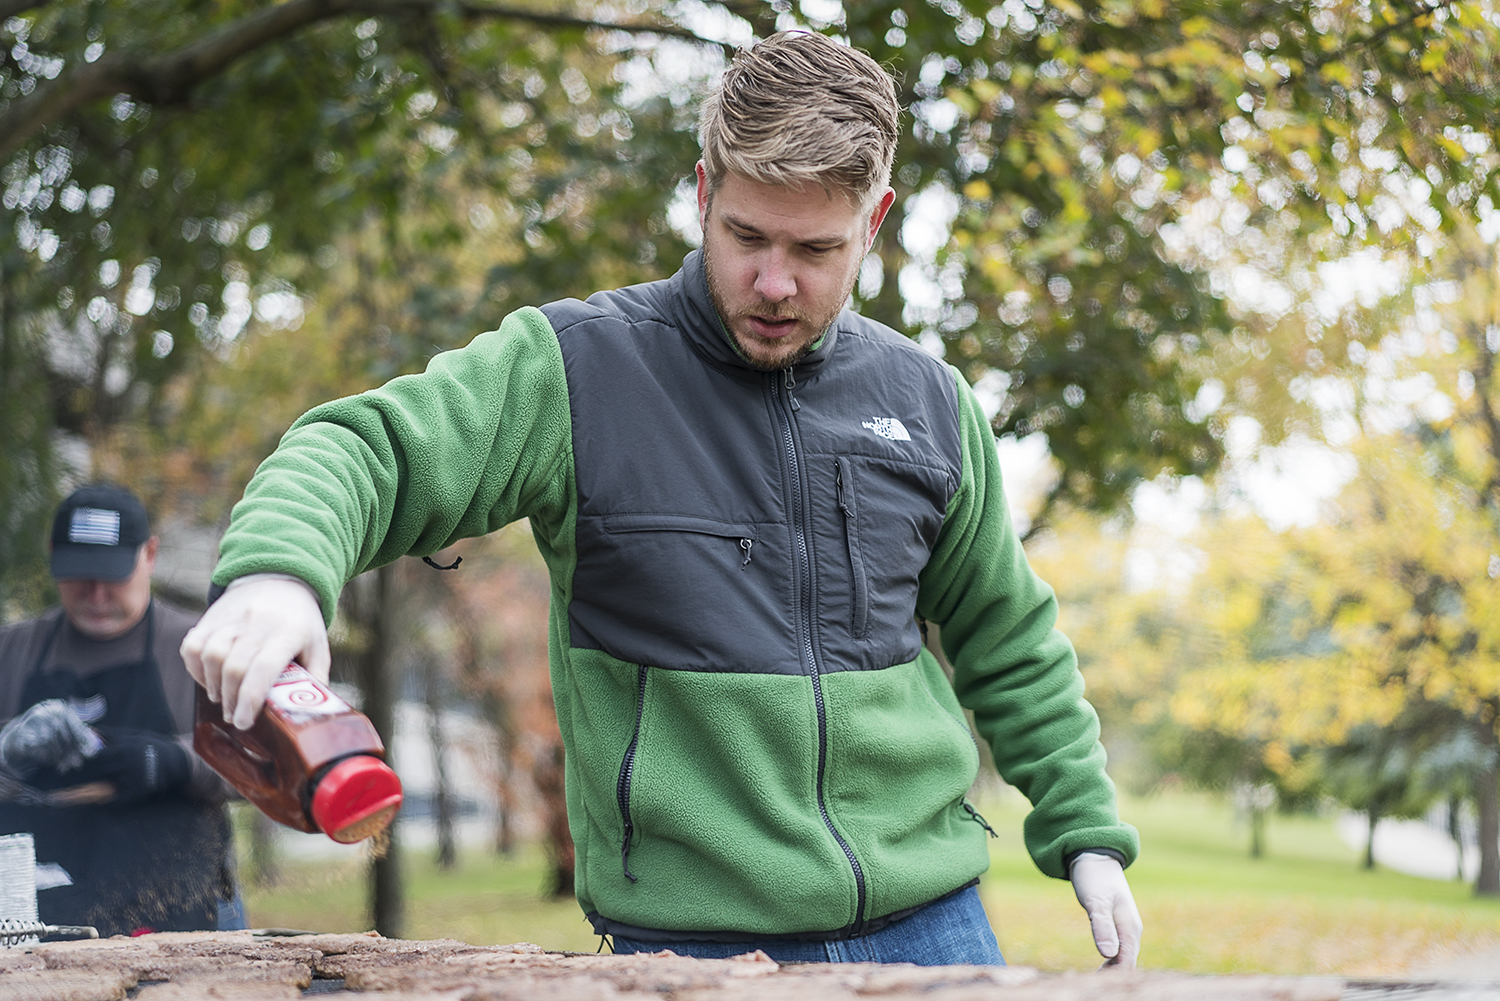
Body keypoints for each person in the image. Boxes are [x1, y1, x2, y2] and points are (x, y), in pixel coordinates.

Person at [183, 31, 1141, 966]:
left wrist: (1086, 830)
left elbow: (1008, 638)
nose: (773, 282)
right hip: (688, 950)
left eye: (815, 248)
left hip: (932, 928)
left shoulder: (931, 402)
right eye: (746, 236)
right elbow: (361, 450)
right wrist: (279, 574)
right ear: (701, 194)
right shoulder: (575, 370)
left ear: (875, 221)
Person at [0, 484, 242, 937]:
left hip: (180, 913)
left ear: (149, 555)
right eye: (79, 574)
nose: (95, 593)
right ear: (53, 555)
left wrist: (175, 761)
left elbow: (261, 769)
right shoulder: (13, 650)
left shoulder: (200, 647)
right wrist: (7, 750)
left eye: (111, 575)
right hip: (37, 921)